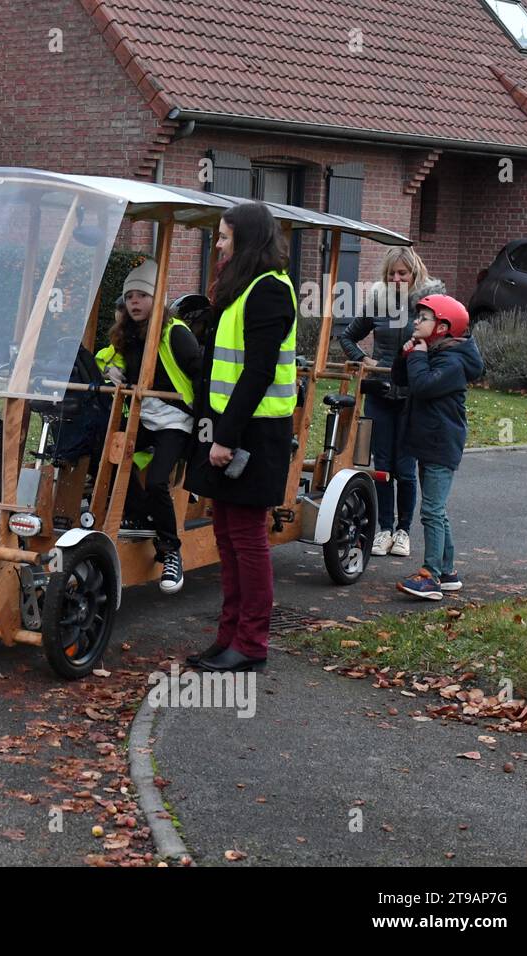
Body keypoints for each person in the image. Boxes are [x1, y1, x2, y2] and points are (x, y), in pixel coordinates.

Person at [184, 202, 298, 673]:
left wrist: (224, 437)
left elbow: (258, 372)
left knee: (247, 540)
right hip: (227, 427)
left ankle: (251, 644)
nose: (218, 244)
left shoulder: (269, 290)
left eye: (225, 236)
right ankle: (228, 636)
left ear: (247, 240)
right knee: (227, 537)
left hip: (255, 432)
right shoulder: (242, 286)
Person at [95, 262, 204, 594]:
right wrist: (111, 372)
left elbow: (201, 372)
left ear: (158, 299)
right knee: (106, 455)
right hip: (144, 417)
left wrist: (205, 422)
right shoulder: (126, 334)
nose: (135, 302)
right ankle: (140, 517)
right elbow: (106, 358)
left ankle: (171, 551)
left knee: (158, 479)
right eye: (130, 296)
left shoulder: (175, 332)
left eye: (142, 295)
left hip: (176, 420)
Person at [339, 247, 444, 558]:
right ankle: (383, 528)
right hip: (381, 393)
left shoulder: (428, 306)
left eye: (403, 273)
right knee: (382, 466)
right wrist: (365, 359)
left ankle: (403, 531)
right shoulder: (378, 302)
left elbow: (442, 344)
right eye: (391, 274)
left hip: (413, 396)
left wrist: (426, 369)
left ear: (415, 274)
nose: (397, 279)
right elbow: (347, 337)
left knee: (405, 468)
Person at [391, 294, 483, 601]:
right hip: (428, 440)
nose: (417, 322)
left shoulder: (453, 361)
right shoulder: (432, 352)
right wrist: (406, 356)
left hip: (441, 443)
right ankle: (448, 572)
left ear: (443, 326)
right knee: (437, 509)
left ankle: (430, 577)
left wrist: (417, 357)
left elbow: (424, 386)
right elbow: (402, 380)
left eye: (424, 318)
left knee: (431, 510)